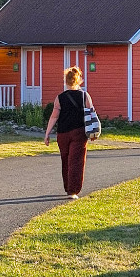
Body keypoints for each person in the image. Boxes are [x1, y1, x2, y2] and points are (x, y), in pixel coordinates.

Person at [44, 66, 97, 199]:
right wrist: (94, 132)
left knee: (66, 160)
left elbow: (54, 116)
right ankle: (73, 191)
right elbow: (92, 114)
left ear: (66, 81)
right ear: (79, 80)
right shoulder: (85, 96)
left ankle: (68, 187)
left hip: (62, 133)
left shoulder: (60, 98)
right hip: (79, 132)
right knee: (76, 161)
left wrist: (47, 134)